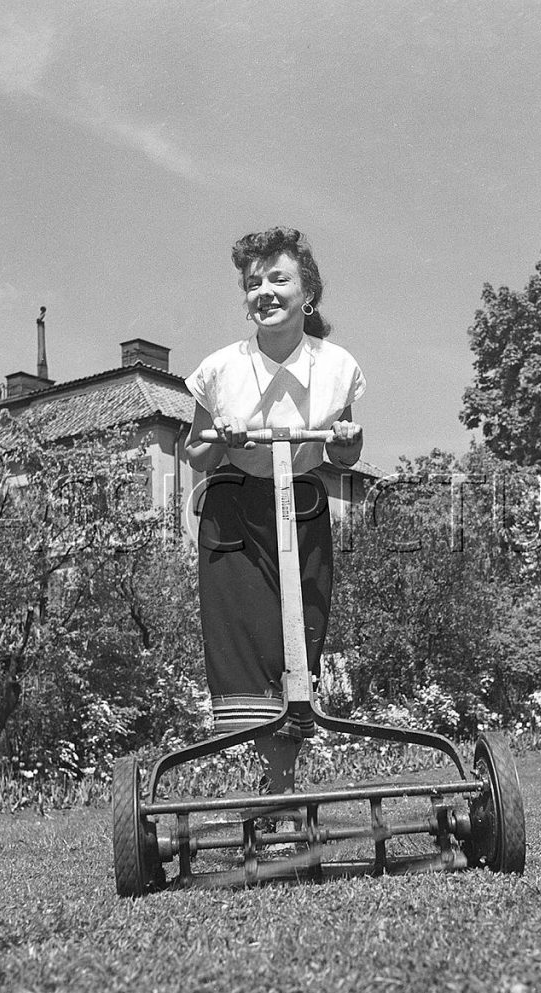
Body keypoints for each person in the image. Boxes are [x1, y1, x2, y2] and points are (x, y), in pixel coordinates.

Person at [185, 227, 365, 837]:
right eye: (253, 282)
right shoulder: (219, 370)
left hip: (306, 505)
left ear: (308, 293)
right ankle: (269, 795)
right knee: (245, 643)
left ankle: (283, 793)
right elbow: (193, 454)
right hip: (234, 508)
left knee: (299, 645)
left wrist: (347, 440)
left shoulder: (339, 368)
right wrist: (220, 436)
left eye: (278, 278)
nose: (265, 291)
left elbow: (346, 455)